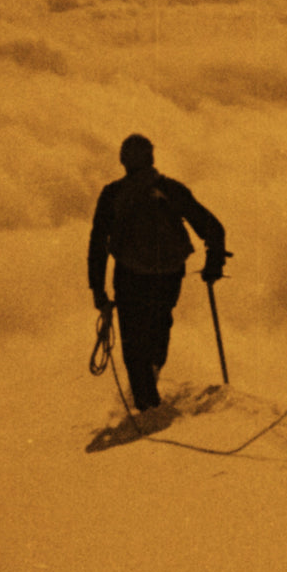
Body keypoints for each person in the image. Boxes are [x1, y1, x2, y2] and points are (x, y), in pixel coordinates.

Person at [88, 134, 227, 412]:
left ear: (123, 161)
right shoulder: (170, 189)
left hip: (130, 276)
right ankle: (151, 378)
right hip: (168, 274)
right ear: (151, 158)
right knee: (159, 325)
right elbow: (213, 227)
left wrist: (99, 292)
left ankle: (145, 401)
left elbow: (98, 245)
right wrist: (213, 264)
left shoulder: (112, 194)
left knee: (133, 338)